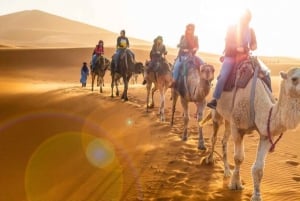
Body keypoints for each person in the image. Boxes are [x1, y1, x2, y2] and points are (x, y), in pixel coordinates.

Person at [207, 9, 258, 109]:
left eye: (248, 19)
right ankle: (215, 99)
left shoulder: (251, 31)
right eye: (244, 18)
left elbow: (254, 43)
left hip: (245, 57)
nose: (246, 20)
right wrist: (236, 48)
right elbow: (228, 43)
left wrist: (254, 45)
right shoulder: (232, 28)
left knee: (262, 72)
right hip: (231, 56)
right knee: (223, 76)